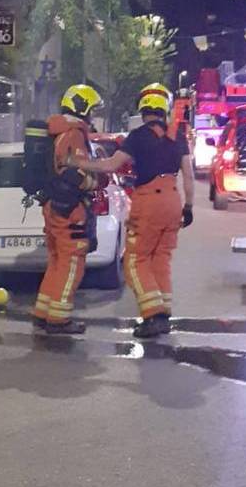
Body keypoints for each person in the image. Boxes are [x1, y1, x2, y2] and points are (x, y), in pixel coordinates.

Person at [70, 89, 195, 338]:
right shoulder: (177, 134)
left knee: (135, 261)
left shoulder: (137, 137)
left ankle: (152, 316)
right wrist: (188, 207)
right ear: (163, 111)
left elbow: (110, 165)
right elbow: (188, 175)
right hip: (172, 199)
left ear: (144, 111)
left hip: (149, 201)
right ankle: (164, 313)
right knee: (161, 259)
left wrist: (78, 163)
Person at [31, 84, 103, 335]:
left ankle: (43, 312)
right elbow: (76, 172)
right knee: (72, 263)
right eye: (91, 110)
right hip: (69, 207)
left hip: (53, 205)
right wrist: (94, 182)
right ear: (81, 107)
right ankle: (59, 319)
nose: (92, 116)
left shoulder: (57, 130)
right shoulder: (73, 133)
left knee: (57, 261)